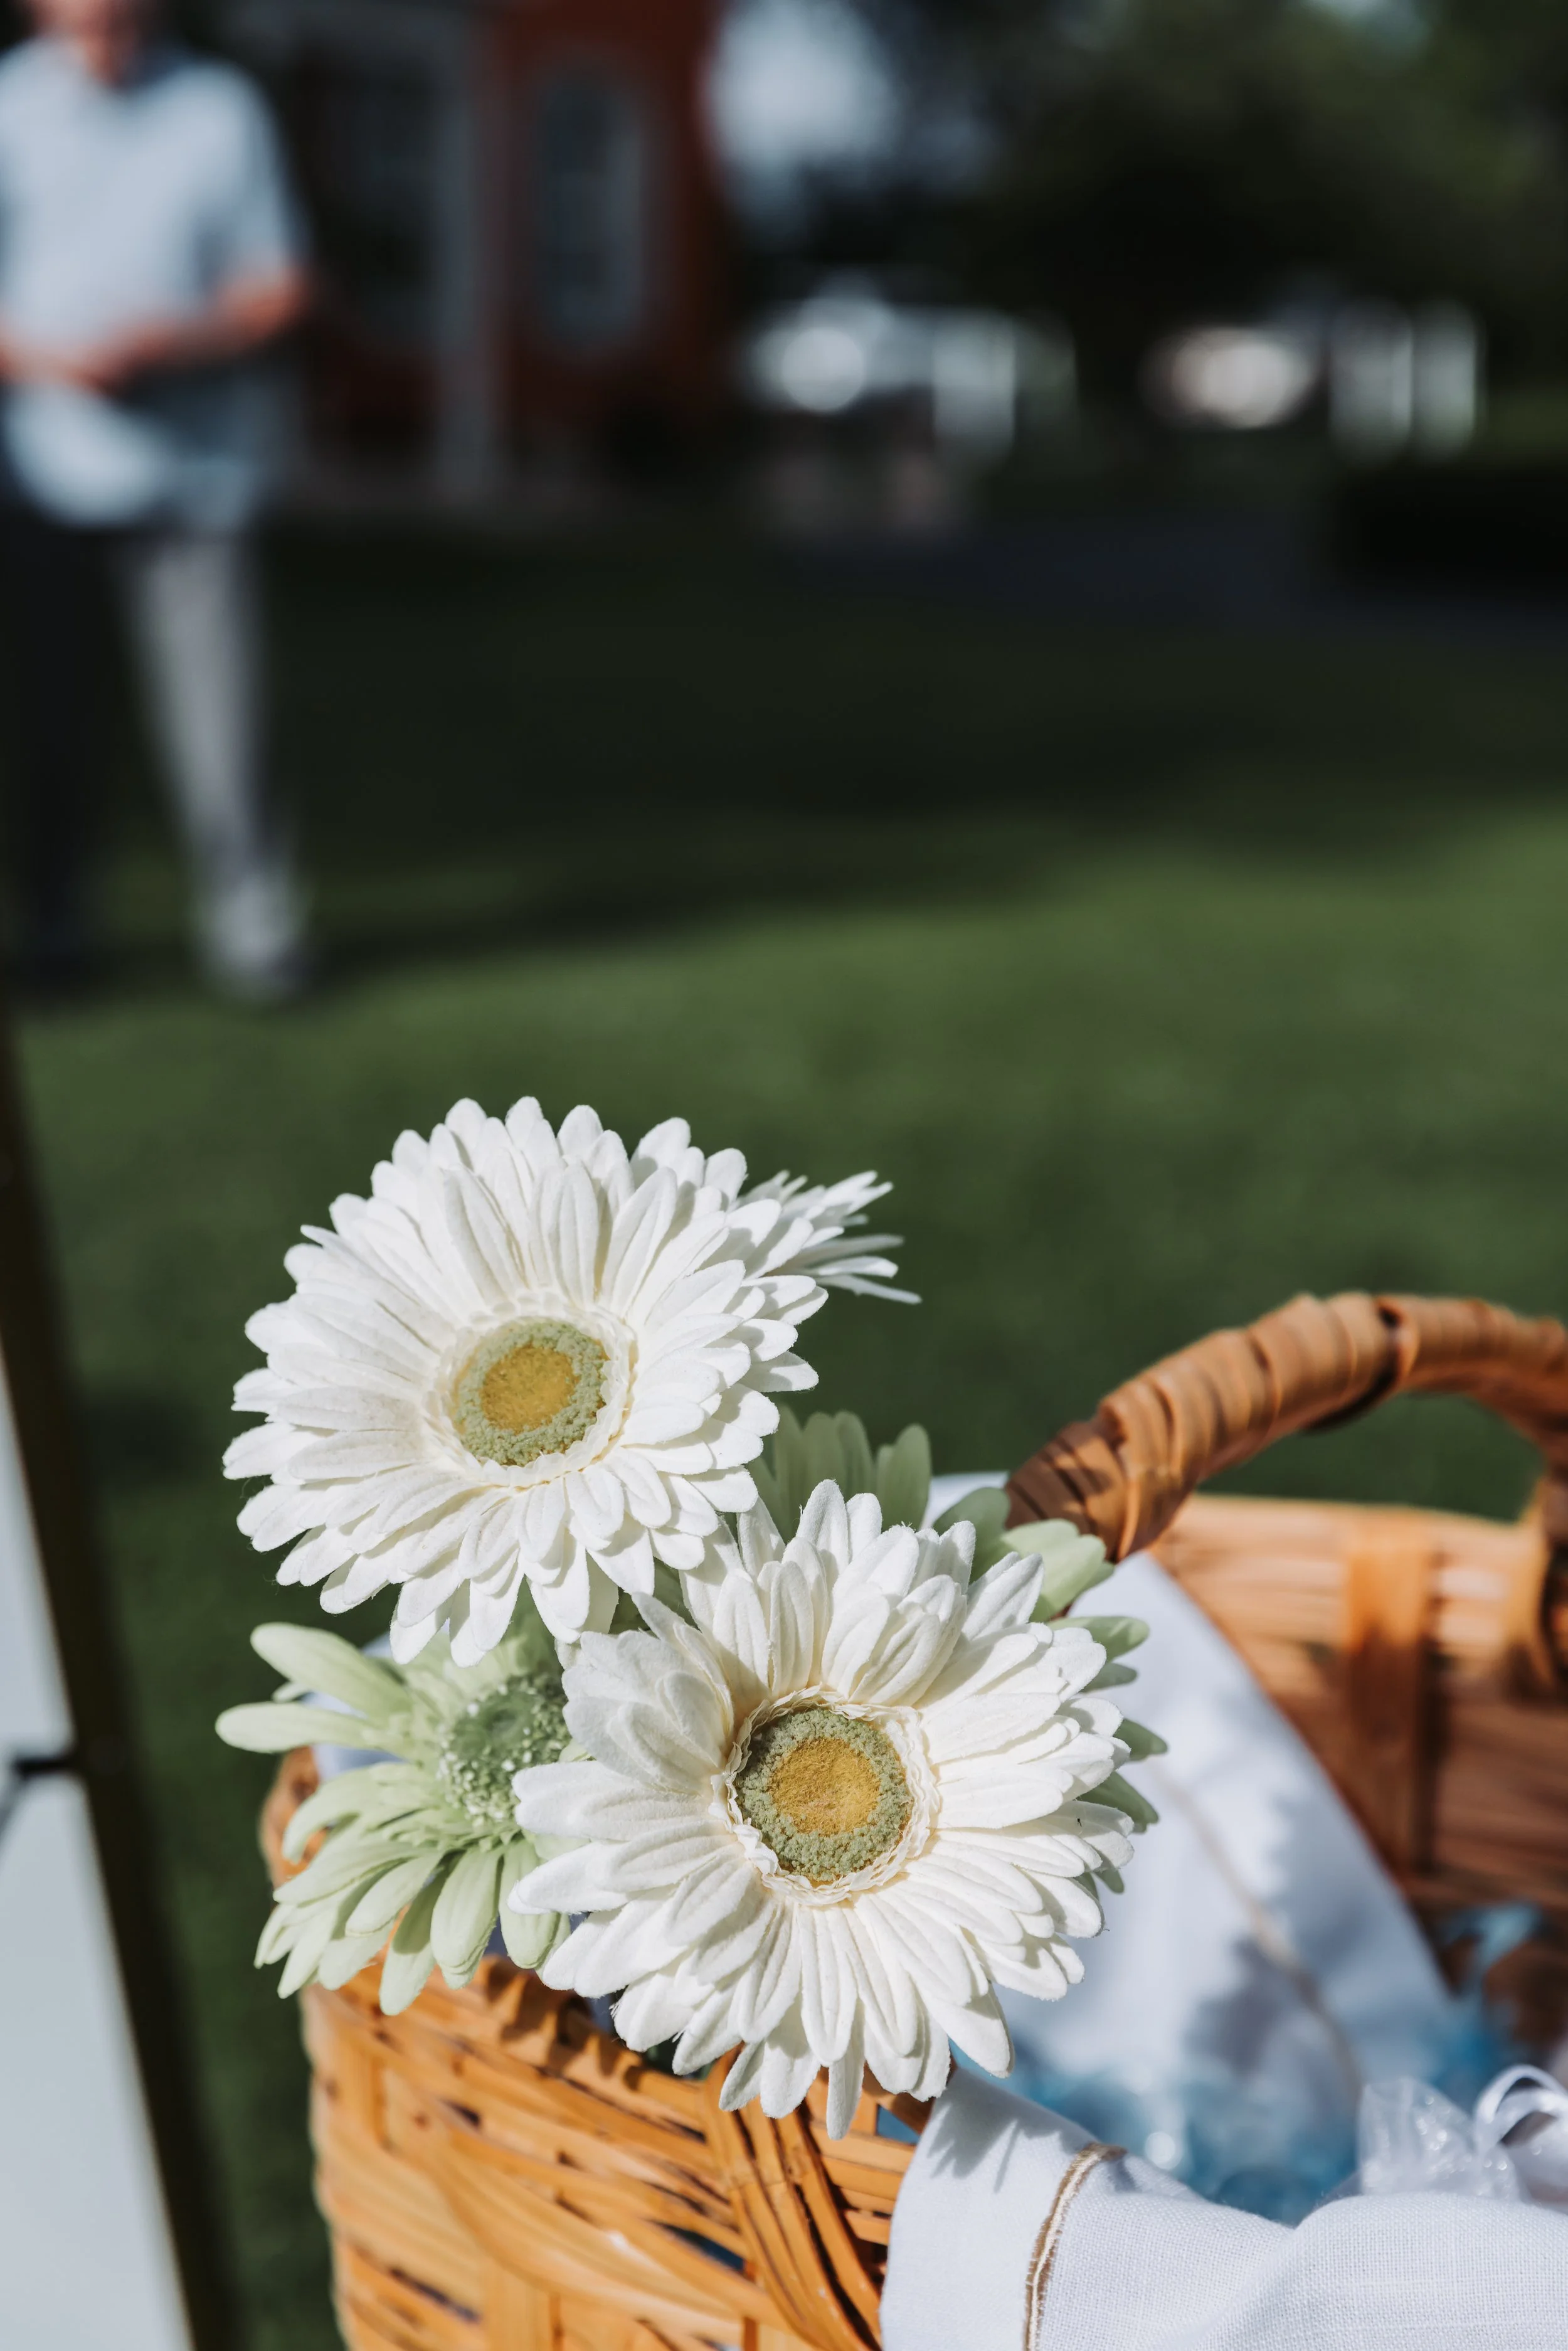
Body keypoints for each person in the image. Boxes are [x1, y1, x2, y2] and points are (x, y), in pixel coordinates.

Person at [0, 0, 312, 999]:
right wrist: (53, 360)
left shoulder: (220, 111)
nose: (102, 29)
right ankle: (57, 930)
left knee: (225, 727)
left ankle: (254, 930)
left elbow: (279, 285)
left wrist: (175, 342)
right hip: (44, 471)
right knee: (50, 728)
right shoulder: (5, 108)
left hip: (200, 474)